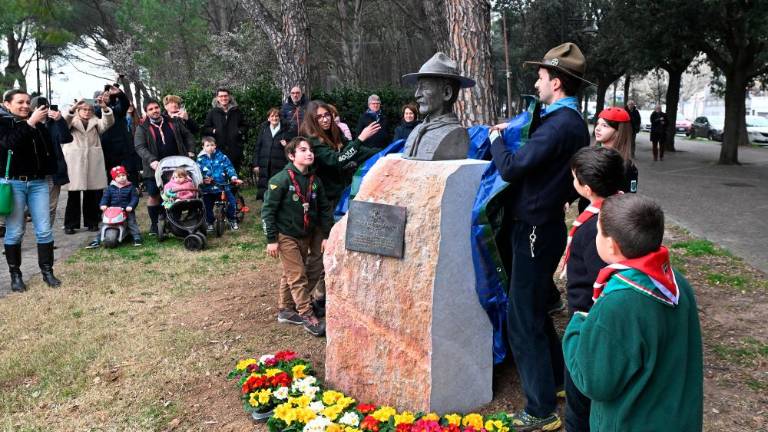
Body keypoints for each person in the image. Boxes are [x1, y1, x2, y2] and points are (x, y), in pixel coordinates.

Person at [489, 42, 591, 431]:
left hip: (535, 229)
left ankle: (540, 409)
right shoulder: (566, 121)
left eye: (541, 76)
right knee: (533, 311)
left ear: (557, 82)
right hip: (539, 226)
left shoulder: (561, 124)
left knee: (522, 318)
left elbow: (513, 167)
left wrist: (496, 139)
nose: (537, 83)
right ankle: (559, 380)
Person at [563, 194, 703, 431]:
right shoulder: (676, 282)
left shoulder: (619, 303)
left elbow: (594, 382)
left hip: (631, 421)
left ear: (612, 245)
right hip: (676, 419)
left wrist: (577, 328)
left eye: (598, 232)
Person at [560, 146, 625, 432]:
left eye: (574, 177)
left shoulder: (595, 231)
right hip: (599, 319)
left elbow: (604, 280)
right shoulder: (622, 212)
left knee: (579, 401)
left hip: (589, 323)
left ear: (585, 188)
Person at [299, 101, 380, 315]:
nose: (325, 119)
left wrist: (387, 153)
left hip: (341, 197)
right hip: (323, 203)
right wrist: (361, 138)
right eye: (320, 117)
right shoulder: (313, 141)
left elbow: (354, 153)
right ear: (312, 120)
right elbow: (336, 160)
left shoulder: (335, 134)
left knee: (338, 247)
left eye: (327, 115)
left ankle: (326, 295)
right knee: (322, 250)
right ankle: (304, 300)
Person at [261, 136, 333, 337]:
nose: (309, 153)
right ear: (291, 156)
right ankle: (307, 314)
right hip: (286, 235)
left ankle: (286, 309)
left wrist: (326, 235)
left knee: (311, 267)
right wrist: (271, 240)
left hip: (309, 232)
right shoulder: (280, 180)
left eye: (310, 150)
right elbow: (268, 211)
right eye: (303, 150)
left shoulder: (314, 180)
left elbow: (324, 209)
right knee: (296, 274)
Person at [0, 89, 61, 291]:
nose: (26, 105)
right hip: (13, 184)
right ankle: (15, 276)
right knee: (15, 231)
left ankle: (47, 272)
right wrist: (30, 123)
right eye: (20, 102)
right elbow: (8, 144)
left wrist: (56, 122)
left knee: (44, 229)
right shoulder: (3, 123)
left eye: (28, 102)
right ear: (7, 104)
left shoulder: (38, 124)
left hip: (38, 183)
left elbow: (52, 148)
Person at [134, 98, 196, 236]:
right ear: (146, 112)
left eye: (156, 108)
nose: (154, 111)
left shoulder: (173, 122)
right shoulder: (142, 128)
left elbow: (188, 136)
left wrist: (191, 151)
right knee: (154, 195)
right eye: (150, 109)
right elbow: (140, 147)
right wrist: (151, 160)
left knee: (176, 193)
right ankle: (154, 224)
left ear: (160, 108)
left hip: (177, 167)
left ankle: (174, 221)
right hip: (154, 167)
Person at [401, 52, 476, 160]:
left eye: (425, 87)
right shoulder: (416, 131)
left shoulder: (455, 134)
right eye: (418, 88)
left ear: (446, 93)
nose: (417, 94)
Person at [62, 98, 115, 234]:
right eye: (84, 109)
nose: (87, 112)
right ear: (78, 110)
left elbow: (108, 123)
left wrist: (105, 109)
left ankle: (92, 222)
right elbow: (63, 124)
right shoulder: (72, 121)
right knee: (73, 195)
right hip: (75, 161)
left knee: (91, 194)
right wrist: (72, 109)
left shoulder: (96, 122)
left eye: (90, 110)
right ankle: (70, 224)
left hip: (92, 160)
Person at [30, 96, 71, 227]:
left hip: (53, 170)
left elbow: (66, 139)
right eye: (40, 107)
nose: (44, 109)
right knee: (26, 208)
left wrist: (60, 120)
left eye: (46, 107)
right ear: (33, 109)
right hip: (33, 172)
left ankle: (46, 236)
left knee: (51, 206)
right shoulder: (27, 123)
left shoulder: (54, 122)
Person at [86, 166, 141, 248]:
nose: (122, 178)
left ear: (126, 175)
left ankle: (136, 237)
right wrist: (103, 204)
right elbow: (105, 197)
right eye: (118, 176)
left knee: (131, 222)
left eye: (123, 175)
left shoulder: (130, 187)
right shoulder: (110, 188)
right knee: (104, 223)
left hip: (126, 209)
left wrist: (131, 206)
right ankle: (97, 240)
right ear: (114, 178)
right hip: (112, 210)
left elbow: (134, 198)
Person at [197, 136, 242, 230]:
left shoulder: (222, 157)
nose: (210, 147)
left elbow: (229, 167)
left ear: (215, 146)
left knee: (231, 202)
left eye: (212, 145)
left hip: (222, 187)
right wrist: (203, 179)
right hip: (207, 188)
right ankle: (210, 222)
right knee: (207, 206)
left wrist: (233, 177)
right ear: (203, 147)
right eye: (207, 145)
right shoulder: (200, 159)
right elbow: (197, 173)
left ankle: (232, 219)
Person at [593, 107, 639, 194]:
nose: (597, 128)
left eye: (604, 125)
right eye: (598, 124)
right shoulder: (590, 155)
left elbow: (630, 197)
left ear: (619, 131)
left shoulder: (627, 167)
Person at [252, 108, 295, 200]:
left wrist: (287, 145)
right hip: (264, 165)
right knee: (265, 189)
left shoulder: (286, 130)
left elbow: (293, 148)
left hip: (279, 165)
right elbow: (258, 147)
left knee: (278, 188)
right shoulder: (264, 130)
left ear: (279, 118)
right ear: (268, 118)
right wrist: (256, 164)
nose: (274, 118)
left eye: (276, 116)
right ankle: (266, 204)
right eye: (272, 116)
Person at [203, 88, 248, 172]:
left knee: (234, 173)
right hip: (218, 149)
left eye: (225, 96)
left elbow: (245, 126)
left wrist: (238, 131)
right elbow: (206, 128)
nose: (223, 98)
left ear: (229, 97)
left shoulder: (237, 111)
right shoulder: (212, 112)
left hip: (234, 149)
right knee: (219, 174)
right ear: (217, 98)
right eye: (221, 96)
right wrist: (214, 131)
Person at [96, 85, 133, 182]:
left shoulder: (117, 108)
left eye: (108, 95)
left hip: (122, 148)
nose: (106, 97)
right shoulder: (98, 110)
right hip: (107, 148)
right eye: (104, 95)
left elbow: (125, 104)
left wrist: (120, 94)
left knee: (125, 175)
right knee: (111, 175)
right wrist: (100, 105)